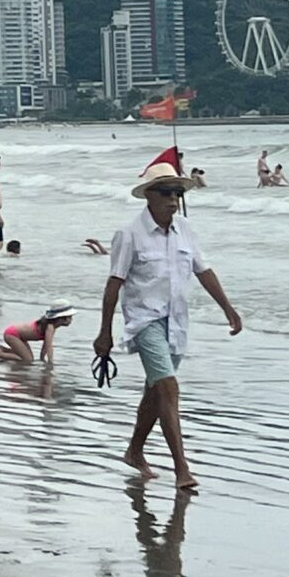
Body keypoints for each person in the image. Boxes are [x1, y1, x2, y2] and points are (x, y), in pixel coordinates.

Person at [93, 158, 244, 490]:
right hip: (145, 321)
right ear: (149, 196)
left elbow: (202, 270)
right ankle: (182, 469)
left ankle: (134, 450)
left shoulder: (185, 229)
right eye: (165, 192)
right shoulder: (129, 234)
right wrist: (103, 332)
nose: (172, 199)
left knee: (157, 392)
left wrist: (228, 309)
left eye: (176, 192)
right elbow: (113, 285)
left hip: (176, 322)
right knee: (169, 388)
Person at [0, 304, 75, 364]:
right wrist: (50, 362)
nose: (71, 320)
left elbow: (45, 346)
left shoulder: (52, 327)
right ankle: (0, 354)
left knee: (29, 357)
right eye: (69, 318)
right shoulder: (50, 327)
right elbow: (49, 347)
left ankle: (2, 349)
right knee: (27, 360)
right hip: (12, 334)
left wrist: (42, 359)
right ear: (61, 318)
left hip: (19, 337)